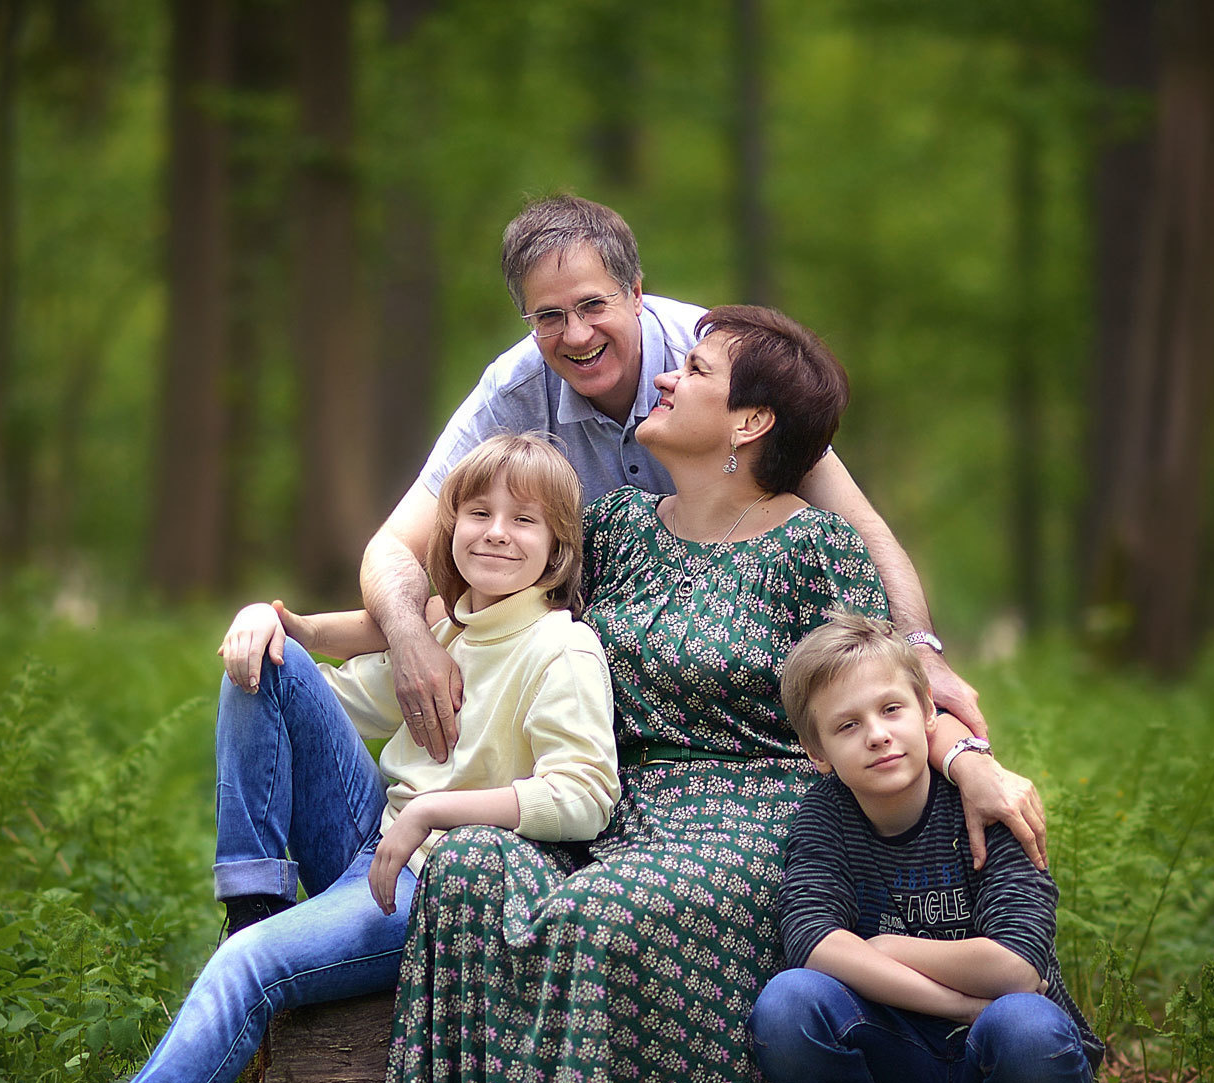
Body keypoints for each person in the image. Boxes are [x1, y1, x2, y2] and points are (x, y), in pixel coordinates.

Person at [306, 306, 991, 1083]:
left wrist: (966, 757)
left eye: (696, 371)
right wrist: (298, 629)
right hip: (614, 808)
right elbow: (480, 603)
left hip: (756, 816)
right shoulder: (621, 526)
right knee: (467, 872)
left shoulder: (814, 549)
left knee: (602, 912)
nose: (667, 378)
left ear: (748, 424)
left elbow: (887, 694)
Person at [360, 196, 1042, 870]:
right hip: (606, 764)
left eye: (594, 305)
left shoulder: (723, 361)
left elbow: (861, 544)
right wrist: (403, 635)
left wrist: (930, 672)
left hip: (745, 793)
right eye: (549, 317)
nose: (574, 334)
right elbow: (410, 557)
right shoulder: (524, 408)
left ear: (635, 292)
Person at [51, 435, 619, 1083]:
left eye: (523, 520)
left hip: (430, 885)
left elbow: (586, 793)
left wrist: (434, 809)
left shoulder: (562, 647)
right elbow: (333, 702)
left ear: (557, 550)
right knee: (260, 663)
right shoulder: (446, 626)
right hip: (369, 839)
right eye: (479, 512)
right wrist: (268, 623)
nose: (495, 531)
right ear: (449, 525)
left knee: (247, 968)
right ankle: (254, 898)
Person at [748, 611, 1102, 1083]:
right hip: (900, 1062)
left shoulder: (985, 808)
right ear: (818, 753)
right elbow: (815, 945)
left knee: (1024, 1022)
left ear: (929, 716)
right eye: (847, 726)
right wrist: (958, 1002)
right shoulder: (823, 819)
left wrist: (885, 947)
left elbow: (1016, 968)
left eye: (892, 710)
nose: (878, 736)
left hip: (1001, 1065)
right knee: (788, 1005)